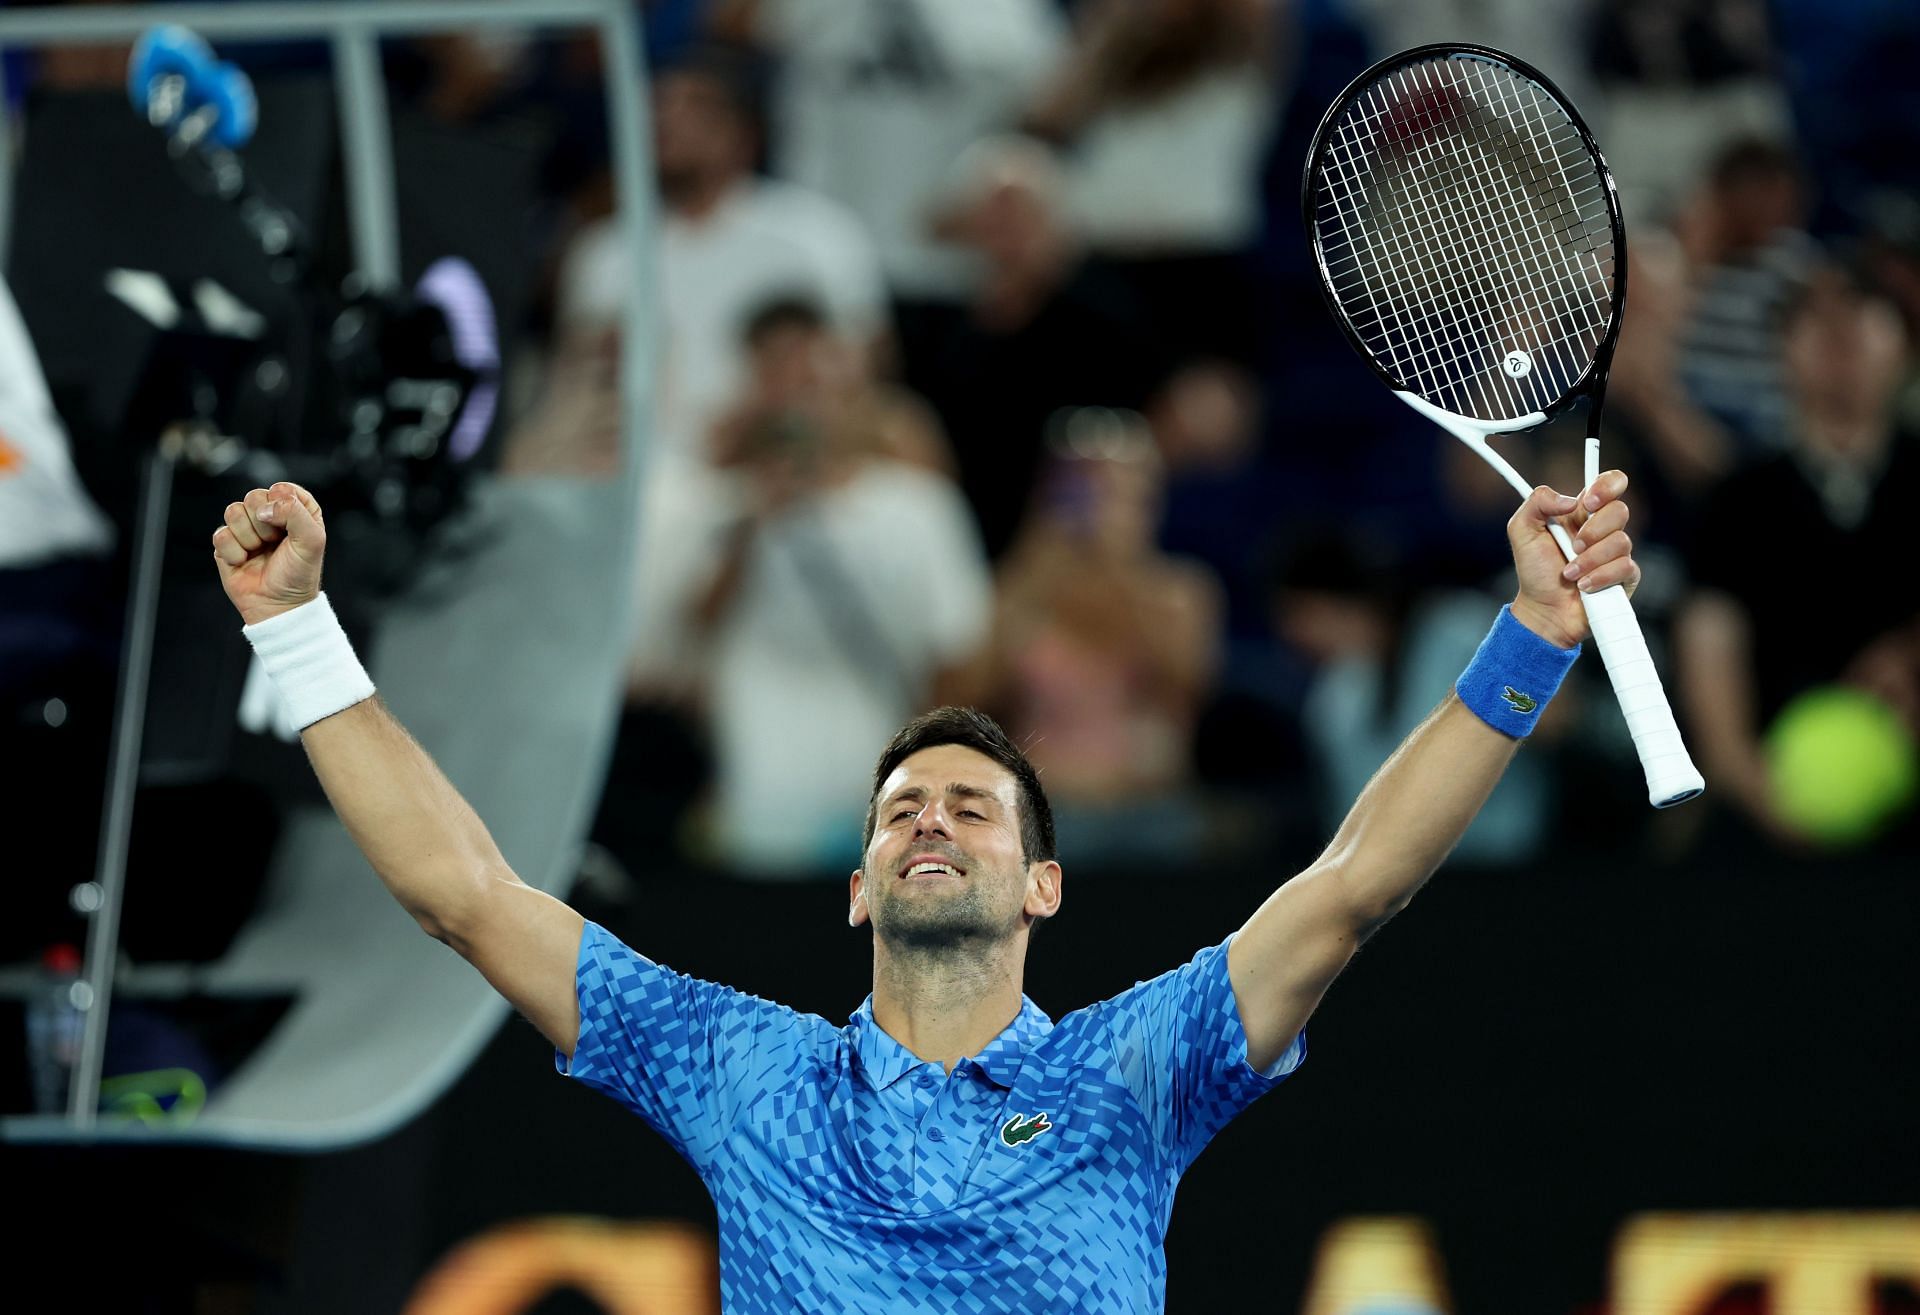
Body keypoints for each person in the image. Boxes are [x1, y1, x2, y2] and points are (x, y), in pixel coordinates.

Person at [206, 462, 1642, 1310]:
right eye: (902, 808)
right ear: (857, 884)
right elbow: (466, 892)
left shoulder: (1134, 1067)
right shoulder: (737, 1066)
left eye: (973, 805)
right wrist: (298, 631)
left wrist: (1528, 630)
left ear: (1045, 885)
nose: (933, 820)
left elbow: (1353, 883)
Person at [1676, 267, 1920, 841]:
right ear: (1782, 353)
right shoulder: (1735, 500)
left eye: (1862, 319)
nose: (1841, 341)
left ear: (1905, 348)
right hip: (1768, 795)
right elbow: (1710, 648)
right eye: (1816, 323)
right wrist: (1743, 778)